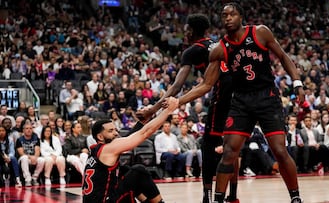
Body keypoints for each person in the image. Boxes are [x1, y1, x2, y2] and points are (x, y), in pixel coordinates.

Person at [174, 2, 305, 203]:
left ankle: (295, 197)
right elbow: (206, 84)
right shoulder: (220, 49)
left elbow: (283, 56)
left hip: (266, 97)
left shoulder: (260, 33)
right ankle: (219, 199)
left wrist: (297, 83)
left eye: (231, 14)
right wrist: (178, 101)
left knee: (279, 150)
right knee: (229, 152)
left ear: (241, 17)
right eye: (224, 15)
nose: (227, 18)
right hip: (241, 101)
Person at [137, 13, 237, 203]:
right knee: (233, 146)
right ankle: (232, 195)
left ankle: (207, 195)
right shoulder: (217, 44)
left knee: (208, 144)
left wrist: (153, 110)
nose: (184, 34)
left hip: (223, 94)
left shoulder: (192, 51)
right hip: (239, 95)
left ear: (190, 31)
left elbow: (177, 86)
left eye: (185, 31)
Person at [82, 97, 178, 203]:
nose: (116, 133)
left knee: (125, 170)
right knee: (138, 170)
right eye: (110, 131)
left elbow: (128, 137)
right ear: (100, 137)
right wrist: (168, 111)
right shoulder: (108, 148)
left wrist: (143, 120)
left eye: (115, 130)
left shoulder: (97, 150)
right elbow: (144, 133)